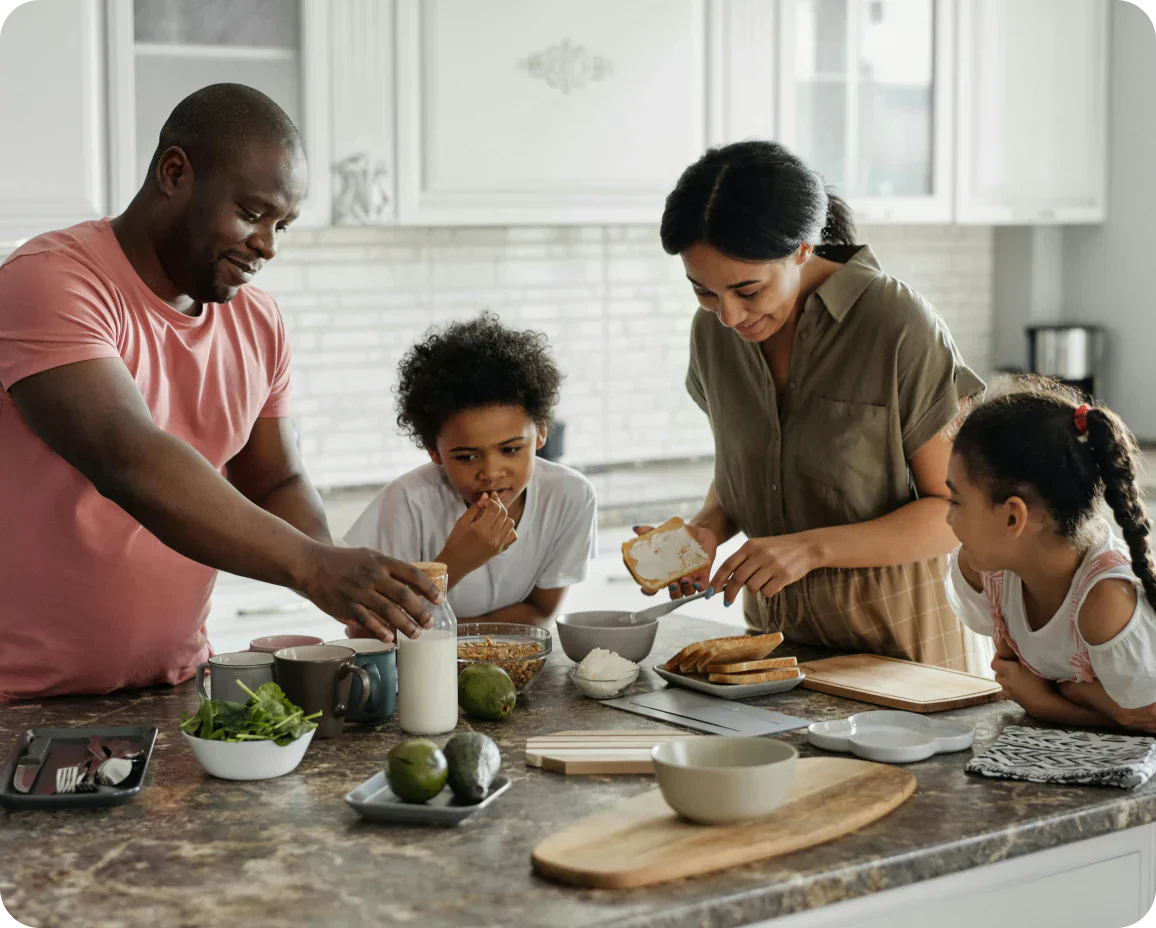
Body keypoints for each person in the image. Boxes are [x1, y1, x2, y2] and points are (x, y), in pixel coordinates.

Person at [0, 84, 440, 702]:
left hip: (174, 686)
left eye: (281, 224)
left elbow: (275, 480)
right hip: (17, 703)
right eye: (253, 213)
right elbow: (127, 458)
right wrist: (312, 568)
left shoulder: (259, 322)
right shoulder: (50, 281)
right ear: (175, 172)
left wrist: (347, 586)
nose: (269, 244)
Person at [640, 140, 988, 671]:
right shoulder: (711, 334)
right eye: (704, 293)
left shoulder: (895, 324)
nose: (730, 316)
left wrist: (810, 549)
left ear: (803, 248)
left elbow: (955, 513)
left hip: (906, 656)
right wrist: (707, 529)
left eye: (748, 291)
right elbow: (749, 468)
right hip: (776, 654)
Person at [344, 313, 597, 627]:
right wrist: (456, 562)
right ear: (434, 450)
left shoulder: (570, 496)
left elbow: (540, 612)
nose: (490, 472)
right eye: (466, 457)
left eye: (511, 449)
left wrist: (453, 636)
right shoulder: (407, 503)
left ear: (542, 432)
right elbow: (366, 629)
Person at [944, 378, 1156, 731]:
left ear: (1014, 516)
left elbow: (1146, 720)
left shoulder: (1106, 603)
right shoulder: (986, 571)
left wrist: (1045, 703)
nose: (948, 518)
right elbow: (1014, 673)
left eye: (956, 501)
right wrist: (1079, 694)